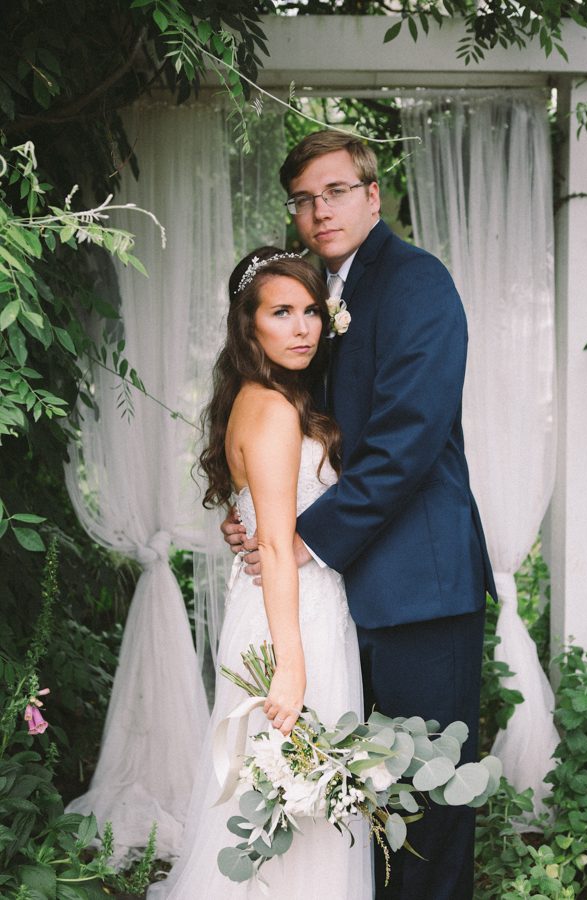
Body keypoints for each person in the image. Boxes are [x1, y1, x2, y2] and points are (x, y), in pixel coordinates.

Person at [223, 130, 497, 899]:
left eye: (336, 190)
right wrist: (258, 510)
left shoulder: (416, 283)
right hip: (341, 601)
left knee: (429, 798)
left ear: (372, 196)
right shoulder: (312, 294)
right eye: (305, 198)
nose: (320, 210)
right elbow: (294, 431)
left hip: (419, 588)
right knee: (352, 801)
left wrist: (304, 537)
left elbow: (408, 439)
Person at [148, 248, 372, 899]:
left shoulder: (260, 397)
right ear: (250, 327)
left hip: (282, 610)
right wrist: (292, 666)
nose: (302, 328)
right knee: (290, 804)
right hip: (291, 622)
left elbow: (260, 520)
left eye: (310, 311)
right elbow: (275, 547)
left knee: (281, 801)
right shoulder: (273, 410)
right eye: (282, 313)